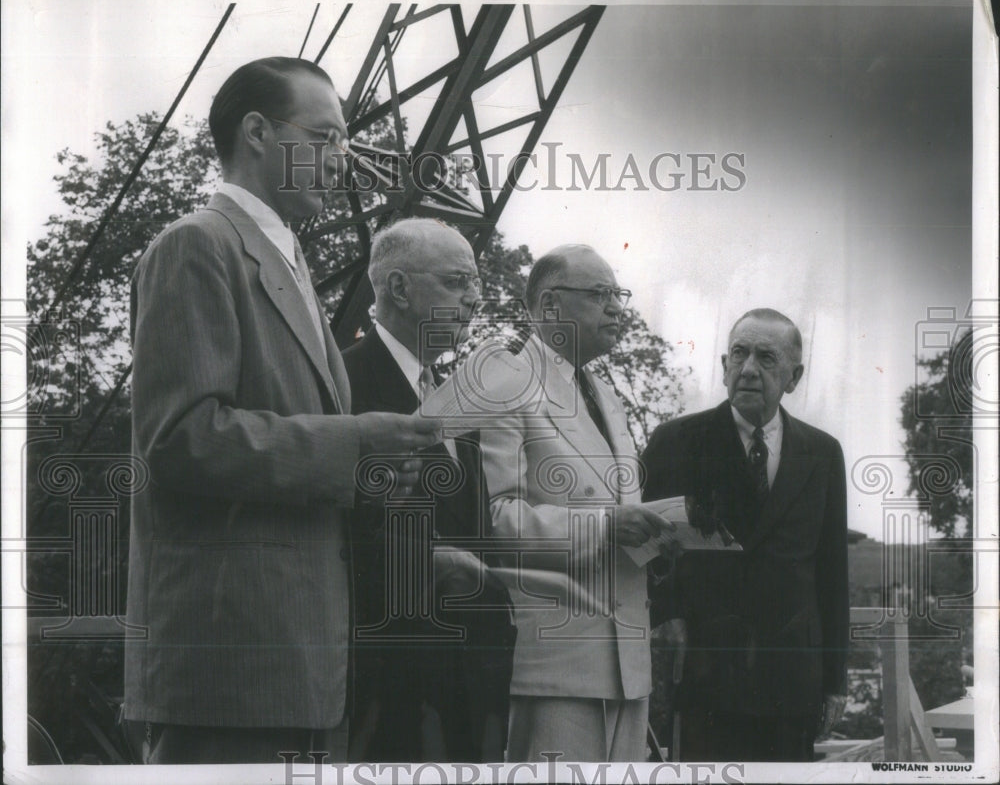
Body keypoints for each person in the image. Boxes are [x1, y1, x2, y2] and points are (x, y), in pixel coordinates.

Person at [125, 57, 441, 764]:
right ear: (258, 133)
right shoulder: (196, 245)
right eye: (325, 137)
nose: (343, 159)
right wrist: (355, 446)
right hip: (233, 665)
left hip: (297, 663)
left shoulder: (286, 261)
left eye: (346, 141)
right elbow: (180, 439)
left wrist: (375, 467)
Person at [478, 245, 674, 762]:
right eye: (599, 294)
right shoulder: (504, 387)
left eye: (618, 294)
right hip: (558, 667)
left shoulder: (606, 394)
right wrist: (606, 527)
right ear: (549, 305)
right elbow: (495, 520)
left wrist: (660, 539)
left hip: (627, 666)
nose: (616, 308)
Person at [341, 217, 515, 762]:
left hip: (464, 687)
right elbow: (331, 525)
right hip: (380, 685)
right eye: (457, 282)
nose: (473, 299)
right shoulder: (340, 385)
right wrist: (424, 562)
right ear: (399, 288)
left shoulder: (455, 397)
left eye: (476, 284)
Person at [642, 308, 848, 762]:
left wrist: (835, 680)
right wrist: (668, 614)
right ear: (724, 367)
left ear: (794, 377)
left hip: (791, 682)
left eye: (766, 357)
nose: (749, 369)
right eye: (739, 354)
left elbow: (833, 573)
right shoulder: (677, 441)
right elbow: (646, 547)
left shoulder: (822, 453)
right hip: (703, 674)